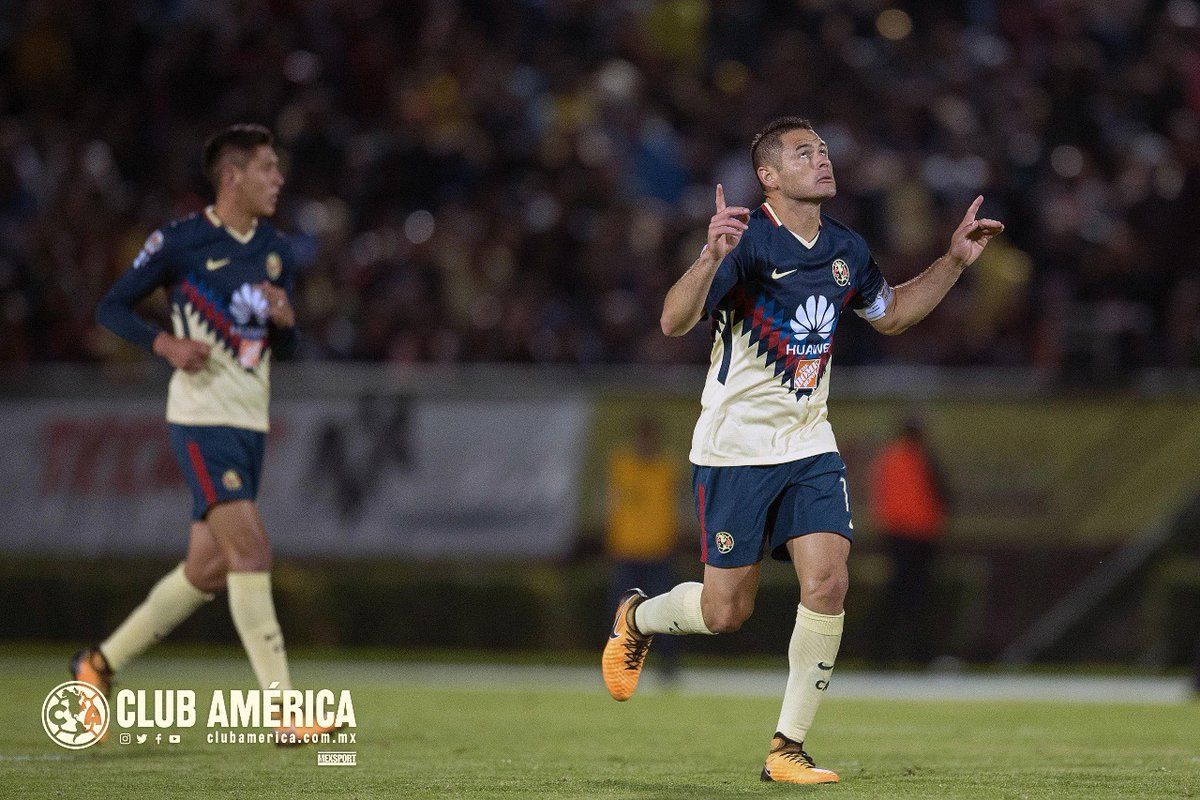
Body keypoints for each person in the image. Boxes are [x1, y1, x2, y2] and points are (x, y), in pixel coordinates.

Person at [601, 116, 1003, 784]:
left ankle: (787, 746)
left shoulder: (846, 247)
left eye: (823, 149)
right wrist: (705, 258)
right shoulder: (747, 242)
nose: (821, 159)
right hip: (734, 451)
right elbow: (672, 321)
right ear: (768, 175)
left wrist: (955, 261)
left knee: (829, 579)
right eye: (803, 153)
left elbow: (893, 314)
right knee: (724, 612)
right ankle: (638, 616)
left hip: (809, 446)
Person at [76, 123, 333, 744]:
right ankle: (283, 712)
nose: (278, 180)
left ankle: (97, 666)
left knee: (208, 569)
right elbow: (111, 306)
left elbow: (283, 347)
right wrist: (163, 342)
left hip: (249, 421)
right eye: (268, 168)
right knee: (252, 552)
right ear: (232, 176)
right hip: (200, 418)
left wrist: (286, 323)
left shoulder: (274, 251)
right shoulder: (180, 242)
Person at [867, 416, 949, 666]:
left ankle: (879, 651)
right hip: (920, 537)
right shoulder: (921, 457)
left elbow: (881, 496)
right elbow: (942, 495)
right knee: (917, 596)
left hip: (896, 535)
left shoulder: (888, 458)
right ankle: (918, 653)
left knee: (898, 593)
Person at [604, 416, 683, 680]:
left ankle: (667, 664)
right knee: (623, 612)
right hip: (627, 550)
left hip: (658, 550)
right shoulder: (622, 463)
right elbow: (610, 501)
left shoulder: (666, 467)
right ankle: (620, 663)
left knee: (663, 611)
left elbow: (677, 505)